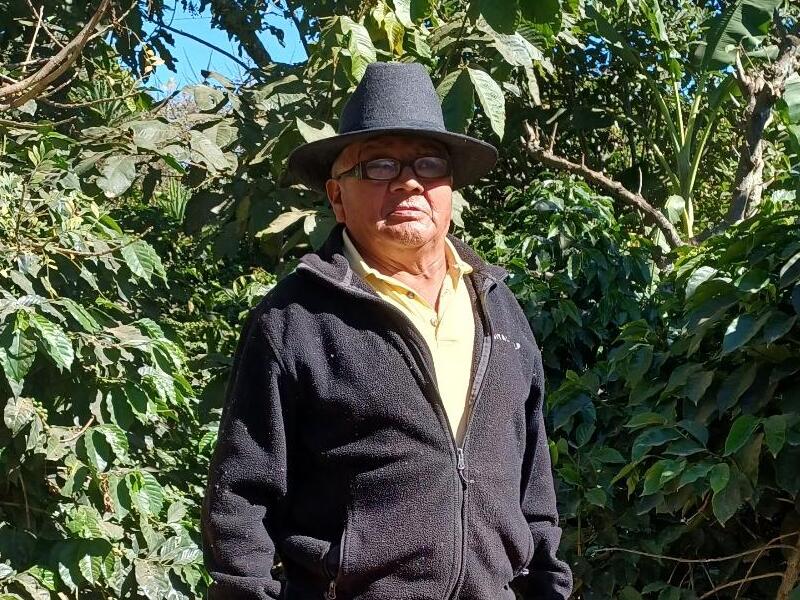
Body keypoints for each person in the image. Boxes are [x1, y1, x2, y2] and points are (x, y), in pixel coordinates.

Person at [201, 61, 573, 600]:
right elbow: (240, 500)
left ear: (449, 189)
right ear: (336, 196)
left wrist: (549, 587)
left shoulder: (499, 309)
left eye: (429, 164)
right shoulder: (293, 319)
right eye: (378, 166)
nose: (409, 182)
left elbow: (533, 488)